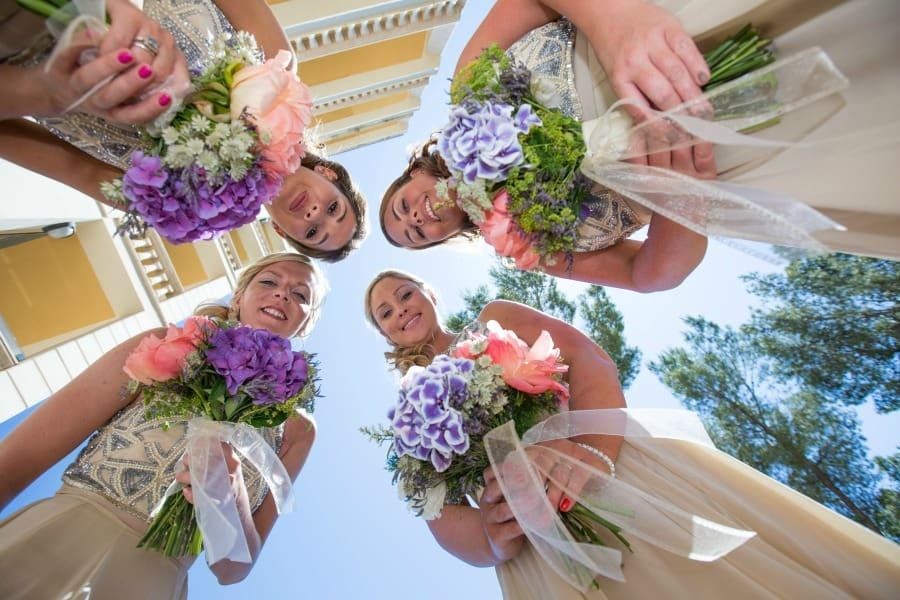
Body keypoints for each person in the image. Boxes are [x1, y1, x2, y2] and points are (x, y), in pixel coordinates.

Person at [363, 269, 900, 599]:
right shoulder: (405, 415)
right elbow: (431, 505)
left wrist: (595, 454)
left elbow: (584, 356)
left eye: (405, 293)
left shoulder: (493, 318)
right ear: (384, 332)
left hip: (609, 470)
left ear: (429, 292)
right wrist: (491, 537)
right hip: (539, 542)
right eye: (385, 312)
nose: (400, 309)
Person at [380, 0, 900, 291]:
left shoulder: (467, 84)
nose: (418, 218)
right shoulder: (527, 250)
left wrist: (615, 24)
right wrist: (683, 202)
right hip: (740, 152)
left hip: (679, 27)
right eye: (417, 235)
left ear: (412, 176)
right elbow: (648, 275)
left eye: (403, 208)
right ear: (441, 239)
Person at [0, 252, 326, 598]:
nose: (282, 294)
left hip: (150, 584)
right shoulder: (166, 346)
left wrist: (230, 496)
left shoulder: (297, 430)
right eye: (269, 281)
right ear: (238, 295)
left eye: (301, 294)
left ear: (305, 323)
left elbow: (232, 570)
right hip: (55, 539)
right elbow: (20, 458)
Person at [0, 0, 368, 261]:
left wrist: (44, 91)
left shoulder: (170, 205)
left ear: (281, 233)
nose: (316, 216)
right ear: (328, 173)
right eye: (334, 208)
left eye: (313, 233)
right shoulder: (280, 71)